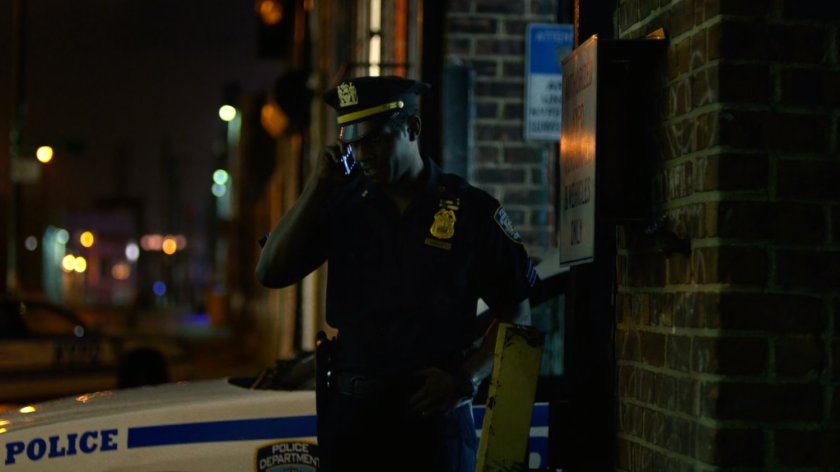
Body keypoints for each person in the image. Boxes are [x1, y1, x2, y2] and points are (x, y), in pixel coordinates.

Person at [255, 75, 538, 472]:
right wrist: (315, 190)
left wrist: (465, 378)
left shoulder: (470, 211)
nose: (363, 154)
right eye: (353, 144)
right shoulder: (343, 205)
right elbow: (270, 271)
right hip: (354, 422)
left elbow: (518, 315)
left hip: (432, 425)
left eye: (375, 139)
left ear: (412, 128)